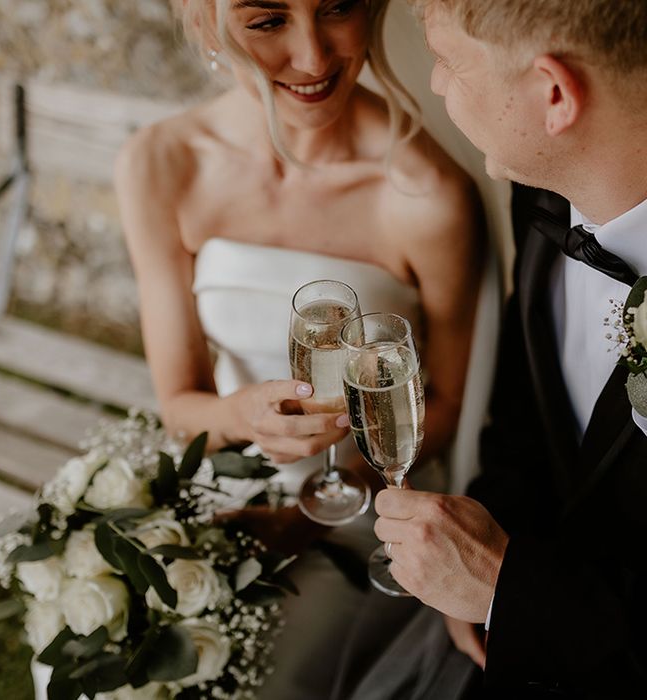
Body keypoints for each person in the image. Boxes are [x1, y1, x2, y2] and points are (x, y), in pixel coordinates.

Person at [111, 0, 490, 697]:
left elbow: (445, 406)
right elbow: (178, 403)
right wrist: (241, 417)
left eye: (338, 8)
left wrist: (306, 517)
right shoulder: (161, 164)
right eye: (267, 21)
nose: (315, 58)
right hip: (213, 481)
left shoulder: (427, 194)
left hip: (365, 509)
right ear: (205, 23)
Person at [371, 0, 647, 697]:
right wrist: (489, 550)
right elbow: (524, 419)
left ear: (553, 94)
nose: (433, 85)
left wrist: (506, 591)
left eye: (448, 62)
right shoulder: (544, 201)